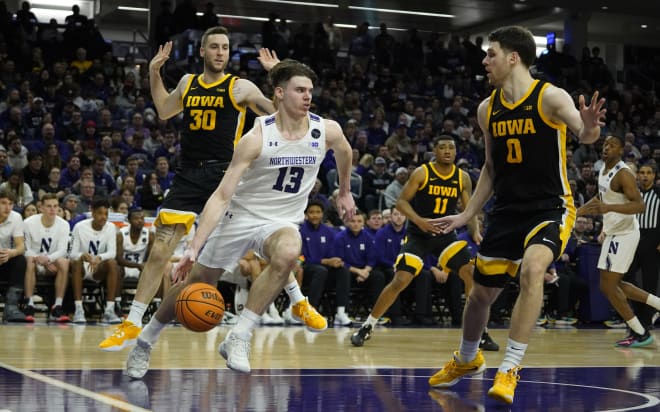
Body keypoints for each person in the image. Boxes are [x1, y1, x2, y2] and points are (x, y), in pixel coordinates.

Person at [125, 59, 356, 377]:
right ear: (279, 93)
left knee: (289, 252)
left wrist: (344, 190)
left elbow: (345, 151)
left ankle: (239, 335)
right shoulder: (256, 138)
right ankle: (145, 342)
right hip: (240, 216)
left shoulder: (325, 129)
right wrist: (193, 247)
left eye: (310, 91)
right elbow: (221, 196)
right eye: (299, 90)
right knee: (195, 285)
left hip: (282, 221)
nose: (307, 96)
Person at [427, 26, 606, 405]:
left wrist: (589, 127)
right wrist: (466, 215)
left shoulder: (550, 97)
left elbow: (585, 135)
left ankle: (509, 368)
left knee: (532, 269)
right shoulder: (486, 108)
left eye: (490, 53)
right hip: (507, 211)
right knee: (479, 296)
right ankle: (466, 358)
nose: (484, 60)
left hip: (550, 206)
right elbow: (490, 168)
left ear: (513, 57)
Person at [98, 26, 283, 351]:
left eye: (225, 47)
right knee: (159, 251)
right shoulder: (187, 83)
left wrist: (277, 75)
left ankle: (292, 304)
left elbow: (283, 116)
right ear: (202, 51)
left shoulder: (241, 87)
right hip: (187, 177)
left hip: (224, 176)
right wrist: (155, 71)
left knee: (262, 244)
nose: (220, 53)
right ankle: (131, 323)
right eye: (214, 47)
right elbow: (164, 110)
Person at [351, 135, 481, 346]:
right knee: (401, 280)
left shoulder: (463, 177)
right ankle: (368, 325)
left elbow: (470, 209)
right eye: (443, 148)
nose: (447, 151)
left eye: (451, 148)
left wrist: (474, 231)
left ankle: (478, 331)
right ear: (434, 152)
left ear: (456, 152)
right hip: (419, 234)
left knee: (470, 273)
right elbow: (401, 203)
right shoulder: (423, 172)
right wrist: (420, 222)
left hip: (445, 235)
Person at [578, 136, 660, 347]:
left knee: (608, 286)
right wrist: (577, 212)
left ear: (621, 150)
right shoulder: (603, 171)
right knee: (615, 285)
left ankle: (640, 333)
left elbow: (640, 206)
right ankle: (653, 311)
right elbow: (600, 198)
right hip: (613, 232)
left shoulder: (624, 174)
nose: (606, 148)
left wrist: (609, 209)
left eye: (612, 145)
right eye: (605, 144)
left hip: (625, 234)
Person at [70, 197, 121, 324]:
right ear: (92, 213)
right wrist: (82, 255)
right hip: (82, 267)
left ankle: (109, 310)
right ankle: (78, 309)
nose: (103, 217)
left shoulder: (111, 227)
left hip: (99, 268)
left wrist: (99, 257)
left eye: (106, 214)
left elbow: (112, 253)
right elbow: (72, 254)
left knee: (112, 263)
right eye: (100, 213)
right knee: (75, 262)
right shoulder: (79, 227)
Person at [22, 194, 71, 323]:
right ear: (41, 208)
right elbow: (26, 248)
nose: (52, 209)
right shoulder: (28, 223)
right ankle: (29, 304)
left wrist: (48, 259)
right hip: (33, 262)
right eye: (49, 206)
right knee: (30, 261)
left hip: (52, 263)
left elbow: (63, 250)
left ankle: (58, 305)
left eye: (55, 206)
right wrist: (41, 260)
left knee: (64, 262)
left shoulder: (64, 225)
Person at [624, 164, 659, 330]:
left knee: (650, 282)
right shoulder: (632, 193)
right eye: (642, 173)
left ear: (654, 176)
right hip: (633, 240)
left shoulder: (658, 193)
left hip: (653, 242)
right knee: (627, 278)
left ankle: (648, 317)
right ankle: (638, 312)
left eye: (649, 173)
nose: (645, 176)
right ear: (637, 175)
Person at [0, 190, 29, 322]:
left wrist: (11, 253)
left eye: (10, 204)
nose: (7, 207)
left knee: (20, 259)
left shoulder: (16, 217)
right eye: (3, 203)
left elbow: (21, 246)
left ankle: (11, 308)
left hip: (4, 257)